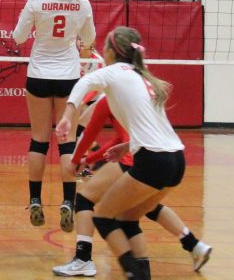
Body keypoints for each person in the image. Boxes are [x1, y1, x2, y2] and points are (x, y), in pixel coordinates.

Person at [56, 26, 185, 280]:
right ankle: (143, 274)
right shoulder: (144, 78)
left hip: (152, 160)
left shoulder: (114, 72)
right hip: (176, 160)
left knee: (103, 217)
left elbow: (84, 82)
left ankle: (130, 272)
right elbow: (155, 128)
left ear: (110, 52)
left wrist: (68, 115)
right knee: (127, 219)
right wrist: (126, 145)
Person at [52, 93, 211, 276]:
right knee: (140, 211)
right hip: (163, 156)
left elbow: (86, 131)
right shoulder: (142, 93)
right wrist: (91, 158)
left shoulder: (108, 96)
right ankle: (192, 245)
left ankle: (83, 258)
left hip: (133, 159)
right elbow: (120, 139)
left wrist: (80, 159)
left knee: (86, 199)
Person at [12, 0, 95, 232]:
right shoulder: (82, 4)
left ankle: (35, 199)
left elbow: (18, 38)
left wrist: (37, 32)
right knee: (67, 142)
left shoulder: (36, 0)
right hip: (68, 77)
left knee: (38, 140)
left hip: (38, 74)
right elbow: (91, 39)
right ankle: (68, 203)